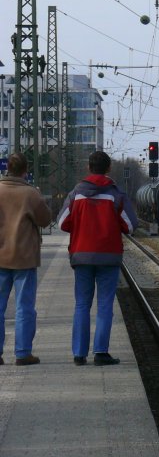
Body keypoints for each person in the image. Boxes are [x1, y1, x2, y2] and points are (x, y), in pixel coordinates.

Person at [57, 151, 138, 366]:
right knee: (105, 304)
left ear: (88, 168)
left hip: (82, 255)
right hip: (108, 257)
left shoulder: (76, 193)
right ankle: (101, 352)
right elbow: (130, 225)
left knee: (82, 304)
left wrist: (81, 227)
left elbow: (62, 222)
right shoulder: (116, 194)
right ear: (108, 168)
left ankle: (79, 353)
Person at [0, 152, 53, 366]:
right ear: (25, 171)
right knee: (24, 307)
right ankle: (22, 353)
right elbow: (45, 220)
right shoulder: (30, 193)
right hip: (24, 258)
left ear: (7, 168)